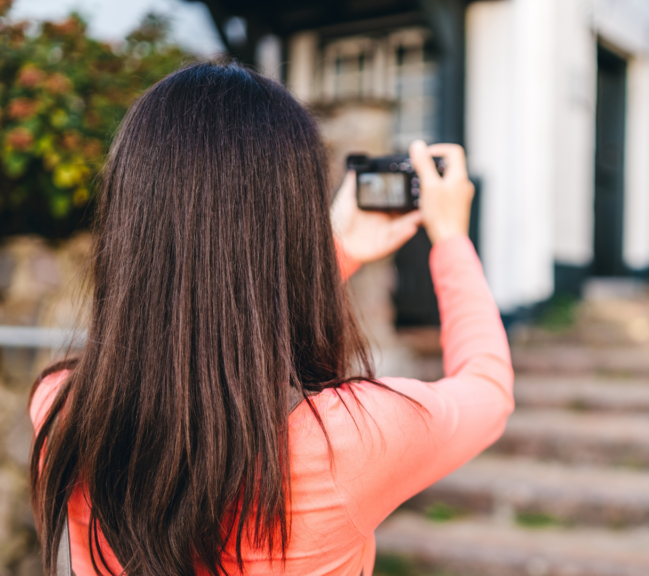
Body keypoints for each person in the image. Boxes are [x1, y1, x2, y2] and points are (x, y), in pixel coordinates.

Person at [28, 61, 513, 576]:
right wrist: (451, 238)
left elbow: (208, 303)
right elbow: (488, 388)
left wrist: (340, 246)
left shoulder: (59, 409)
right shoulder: (348, 443)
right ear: (295, 219)